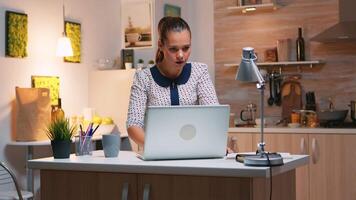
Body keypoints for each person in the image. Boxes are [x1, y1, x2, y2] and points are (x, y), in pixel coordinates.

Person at [126, 16, 219, 146]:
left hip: (195, 150)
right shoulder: (143, 78)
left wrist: (217, 145)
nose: (181, 55)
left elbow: (213, 116)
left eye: (186, 48)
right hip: (157, 155)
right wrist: (156, 148)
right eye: (173, 49)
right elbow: (133, 125)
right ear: (161, 46)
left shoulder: (200, 72)